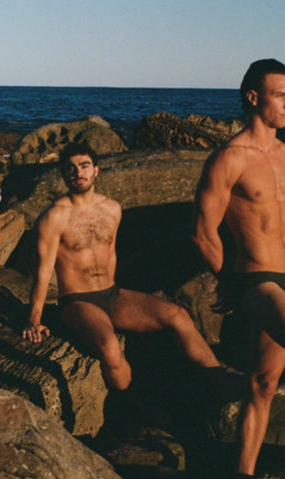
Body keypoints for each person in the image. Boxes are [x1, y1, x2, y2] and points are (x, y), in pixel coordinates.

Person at [193, 60, 285, 478]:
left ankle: (242, 478)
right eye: (281, 95)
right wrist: (230, 285)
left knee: (264, 384)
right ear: (254, 98)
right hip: (257, 282)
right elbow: (203, 232)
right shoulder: (229, 159)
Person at [22, 142, 233, 395]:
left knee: (178, 315)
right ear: (64, 174)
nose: (78, 173)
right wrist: (34, 320)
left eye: (84, 166)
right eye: (71, 168)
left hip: (112, 293)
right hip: (77, 302)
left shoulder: (112, 209)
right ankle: (133, 404)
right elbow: (43, 270)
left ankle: (220, 381)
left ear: (96, 171)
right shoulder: (54, 216)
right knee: (110, 348)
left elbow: (110, 256)